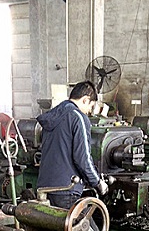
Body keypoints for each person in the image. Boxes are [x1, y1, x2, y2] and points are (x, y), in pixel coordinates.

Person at [36, 80, 108, 209]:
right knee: (86, 223)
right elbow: (82, 158)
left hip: (45, 187)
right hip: (66, 188)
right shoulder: (78, 118)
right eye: (91, 106)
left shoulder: (52, 116)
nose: (89, 111)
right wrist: (97, 182)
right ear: (85, 100)